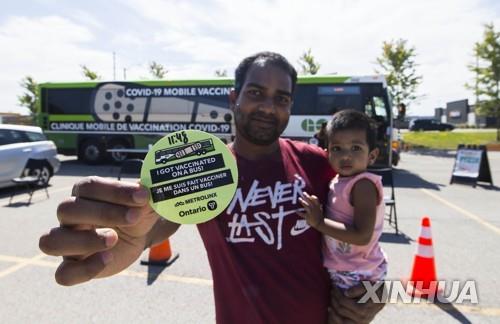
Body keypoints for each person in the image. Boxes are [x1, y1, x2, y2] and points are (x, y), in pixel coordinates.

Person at [39, 52, 384, 324]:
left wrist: (375, 294)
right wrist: (129, 238)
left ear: (290, 106)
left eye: (281, 98)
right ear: (233, 97)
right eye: (255, 93)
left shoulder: (319, 163)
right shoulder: (205, 169)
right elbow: (155, 226)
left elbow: (366, 241)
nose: (267, 106)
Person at [298, 109, 388, 291]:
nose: (346, 156)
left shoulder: (363, 185)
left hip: (358, 271)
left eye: (356, 148)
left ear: (372, 155)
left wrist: (319, 222)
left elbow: (362, 236)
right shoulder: (337, 181)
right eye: (337, 148)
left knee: (341, 317)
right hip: (344, 267)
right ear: (327, 153)